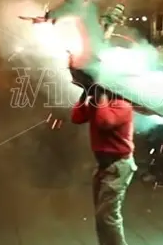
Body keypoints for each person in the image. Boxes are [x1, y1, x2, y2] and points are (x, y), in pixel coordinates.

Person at [71, 86, 135, 245]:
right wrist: (84, 95)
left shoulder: (123, 104)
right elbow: (76, 117)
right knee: (102, 217)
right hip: (104, 167)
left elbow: (104, 121)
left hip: (118, 166)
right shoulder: (98, 103)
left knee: (108, 217)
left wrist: (101, 96)